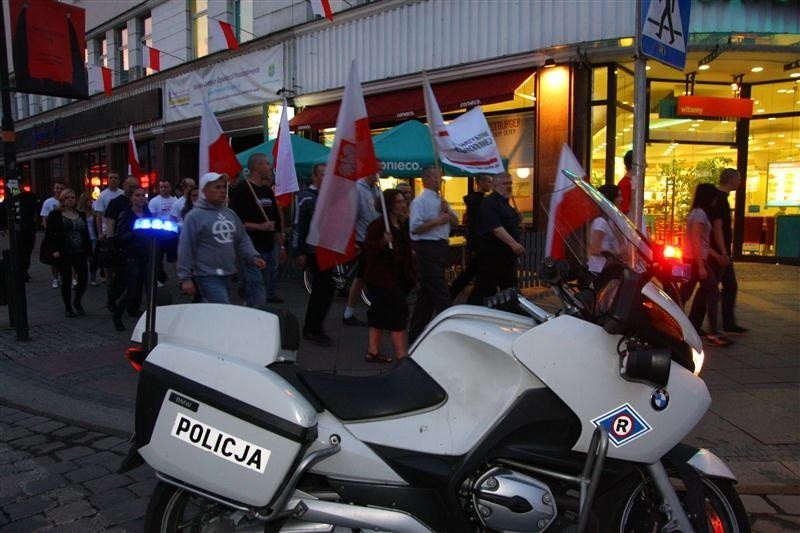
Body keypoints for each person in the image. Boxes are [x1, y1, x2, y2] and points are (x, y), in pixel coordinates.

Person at [177, 172, 266, 304]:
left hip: (230, 274)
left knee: (216, 312)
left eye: (224, 187)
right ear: (205, 191)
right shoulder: (194, 216)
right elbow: (186, 247)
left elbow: (242, 239)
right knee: (222, 307)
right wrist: (185, 278)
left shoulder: (230, 214)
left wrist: (252, 256)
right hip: (207, 275)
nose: (223, 191)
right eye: (217, 187)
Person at [363, 189, 416, 362]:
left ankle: (372, 351)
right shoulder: (379, 225)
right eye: (398, 202)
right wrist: (383, 242)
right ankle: (402, 355)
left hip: (398, 277)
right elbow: (368, 248)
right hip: (382, 279)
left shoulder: (402, 224)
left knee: (378, 314)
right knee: (398, 314)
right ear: (389, 205)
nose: (403, 205)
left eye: (403, 201)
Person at [408, 165, 458, 344]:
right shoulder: (419, 202)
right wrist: (437, 221)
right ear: (426, 179)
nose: (439, 180)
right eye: (435, 177)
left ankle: (415, 333)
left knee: (426, 296)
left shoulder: (441, 199)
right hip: (427, 247)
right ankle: (452, 328)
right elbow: (414, 227)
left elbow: (455, 222)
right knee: (440, 290)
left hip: (440, 247)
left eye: (440, 176)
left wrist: (447, 213)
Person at [679, 183, 731, 347]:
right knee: (712, 292)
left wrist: (716, 255)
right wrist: (701, 265)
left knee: (684, 294)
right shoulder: (700, 215)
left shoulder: (696, 213)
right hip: (696, 260)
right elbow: (696, 241)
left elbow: (701, 242)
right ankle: (714, 333)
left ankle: (681, 325)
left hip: (694, 258)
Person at [230, 153, 283, 307]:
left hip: (268, 246)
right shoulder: (243, 189)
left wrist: (279, 239)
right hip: (251, 248)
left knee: (264, 283)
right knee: (257, 284)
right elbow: (235, 220)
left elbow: (275, 218)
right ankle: (256, 313)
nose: (270, 167)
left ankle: (248, 304)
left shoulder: (267, 191)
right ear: (257, 167)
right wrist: (259, 226)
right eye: (266, 164)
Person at [292, 164, 335, 346]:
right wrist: (299, 251)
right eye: (323, 175)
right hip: (313, 251)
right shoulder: (306, 198)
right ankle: (312, 328)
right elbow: (298, 225)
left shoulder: (327, 197)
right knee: (322, 289)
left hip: (326, 250)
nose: (326, 178)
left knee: (326, 289)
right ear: (315, 177)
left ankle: (315, 326)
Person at [468, 172, 525, 304]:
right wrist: (513, 244)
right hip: (492, 257)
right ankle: (470, 313)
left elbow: (506, 222)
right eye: (505, 183)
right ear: (495, 185)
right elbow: (496, 227)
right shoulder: (489, 202)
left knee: (509, 289)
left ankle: (514, 312)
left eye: (510, 183)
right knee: (484, 290)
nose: (509, 186)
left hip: (505, 258)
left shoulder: (505, 203)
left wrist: (516, 217)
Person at [342, 168, 381, 326]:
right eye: (377, 170)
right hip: (363, 240)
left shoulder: (376, 189)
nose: (379, 174)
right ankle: (350, 313)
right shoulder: (358, 189)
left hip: (374, 240)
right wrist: (352, 241)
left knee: (365, 277)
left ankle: (351, 312)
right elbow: (350, 215)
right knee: (363, 278)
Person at [45, 189, 91, 317]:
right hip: (64, 252)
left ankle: (77, 301)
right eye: (67, 198)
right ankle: (68, 307)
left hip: (79, 251)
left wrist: (89, 251)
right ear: (62, 200)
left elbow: (85, 233)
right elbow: (50, 234)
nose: (70, 200)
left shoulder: (80, 214)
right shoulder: (55, 215)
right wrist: (53, 250)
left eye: (72, 197)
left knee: (83, 278)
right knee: (66, 280)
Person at [110, 187, 151, 331]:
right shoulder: (126, 215)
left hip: (146, 254)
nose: (141, 198)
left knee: (145, 285)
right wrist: (134, 232)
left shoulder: (147, 213)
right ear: (131, 198)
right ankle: (117, 315)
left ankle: (134, 310)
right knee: (131, 288)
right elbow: (119, 237)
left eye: (143, 195)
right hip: (130, 256)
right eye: (137, 195)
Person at [712, 168, 747, 334]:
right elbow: (718, 227)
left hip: (719, 251)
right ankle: (726, 323)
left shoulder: (719, 198)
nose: (740, 183)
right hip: (720, 252)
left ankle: (725, 322)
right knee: (727, 286)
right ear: (732, 180)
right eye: (738, 180)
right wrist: (723, 252)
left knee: (714, 287)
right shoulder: (721, 200)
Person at [449, 173, 493, 299]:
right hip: (480, 242)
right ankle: (471, 298)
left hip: (479, 241)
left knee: (473, 272)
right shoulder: (478, 201)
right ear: (480, 182)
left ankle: (456, 295)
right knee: (473, 272)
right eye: (488, 181)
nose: (490, 184)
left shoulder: (480, 200)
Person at [104, 176, 140, 317]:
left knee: (137, 279)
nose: (133, 189)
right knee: (121, 278)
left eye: (136, 186)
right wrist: (110, 241)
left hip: (139, 246)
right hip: (122, 245)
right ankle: (112, 298)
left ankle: (133, 306)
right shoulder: (116, 203)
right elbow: (111, 223)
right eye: (131, 186)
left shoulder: (142, 201)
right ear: (124, 186)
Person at [0, 184, 38, 282]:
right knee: (19, 250)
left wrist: (37, 222)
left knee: (28, 249)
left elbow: (36, 210)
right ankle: (22, 271)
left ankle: (24, 269)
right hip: (16, 229)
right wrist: (3, 227)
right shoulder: (10, 199)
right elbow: (3, 213)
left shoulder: (30, 196)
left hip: (29, 228)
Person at [587, 184, 624, 275]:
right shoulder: (600, 222)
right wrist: (615, 253)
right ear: (611, 198)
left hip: (609, 269)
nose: (621, 199)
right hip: (599, 271)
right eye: (619, 196)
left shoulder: (611, 220)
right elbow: (594, 249)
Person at [148, 179, 178, 287]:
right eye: (162, 187)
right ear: (159, 188)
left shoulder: (175, 200)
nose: (164, 189)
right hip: (159, 234)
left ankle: (180, 279)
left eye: (166, 187)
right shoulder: (154, 201)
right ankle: (159, 279)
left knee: (175, 258)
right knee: (158, 258)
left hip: (172, 234)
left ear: (170, 188)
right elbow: (152, 217)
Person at [40, 178, 67, 288]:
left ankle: (72, 278)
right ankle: (55, 279)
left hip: (66, 234)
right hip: (54, 235)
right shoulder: (48, 202)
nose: (59, 190)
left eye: (61, 188)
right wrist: (49, 234)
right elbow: (44, 219)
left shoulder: (69, 200)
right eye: (57, 188)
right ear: (54, 189)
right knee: (54, 259)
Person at [77, 191, 99, 286]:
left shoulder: (93, 212)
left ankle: (93, 279)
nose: (90, 202)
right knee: (81, 260)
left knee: (93, 259)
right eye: (88, 200)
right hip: (83, 238)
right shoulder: (78, 213)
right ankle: (80, 278)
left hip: (93, 237)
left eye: (91, 200)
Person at [617, 150, 633, 217]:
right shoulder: (624, 184)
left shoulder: (631, 183)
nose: (646, 165)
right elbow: (624, 212)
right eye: (643, 161)